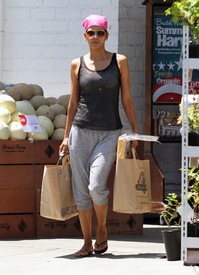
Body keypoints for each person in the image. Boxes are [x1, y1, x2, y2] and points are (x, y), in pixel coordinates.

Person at [59, 14, 139, 257]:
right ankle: (86, 242)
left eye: (100, 33)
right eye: (91, 33)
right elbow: (73, 102)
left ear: (107, 36)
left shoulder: (120, 61)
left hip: (109, 133)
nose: (95, 37)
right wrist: (65, 136)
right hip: (80, 132)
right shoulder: (77, 64)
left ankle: (101, 230)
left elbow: (126, 98)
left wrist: (134, 131)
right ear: (85, 36)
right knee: (81, 190)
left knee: (96, 186)